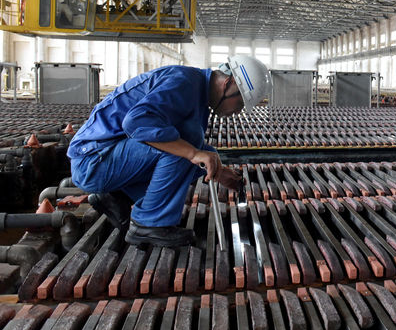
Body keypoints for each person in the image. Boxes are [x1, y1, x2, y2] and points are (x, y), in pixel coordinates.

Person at [68, 55, 272, 247]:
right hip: (93, 161)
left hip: (105, 158)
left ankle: (116, 196)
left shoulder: (195, 89)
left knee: (194, 147)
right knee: (187, 145)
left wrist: (218, 171)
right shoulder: (185, 82)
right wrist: (193, 153)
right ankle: (149, 224)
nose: (237, 112)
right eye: (240, 104)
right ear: (229, 84)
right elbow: (136, 121)